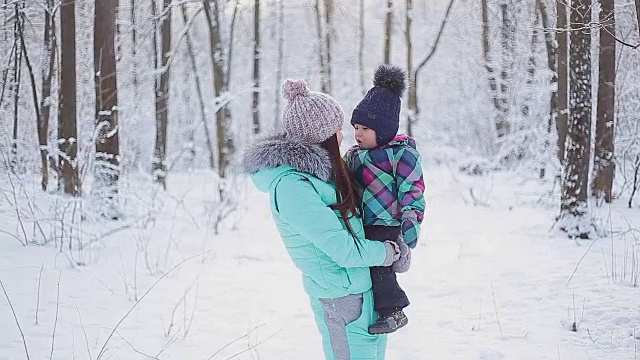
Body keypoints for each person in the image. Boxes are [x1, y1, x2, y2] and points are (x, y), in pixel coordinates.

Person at [241, 79, 401, 360]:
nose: (344, 136)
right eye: (338, 129)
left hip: (363, 290)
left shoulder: (323, 177)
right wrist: (387, 252)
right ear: (323, 136)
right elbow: (343, 249)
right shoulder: (292, 187)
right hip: (341, 297)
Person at [345, 64, 426, 334]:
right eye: (356, 126)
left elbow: (412, 189)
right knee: (363, 267)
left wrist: (410, 221)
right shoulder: (355, 155)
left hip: (386, 222)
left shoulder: (401, 155)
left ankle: (394, 311)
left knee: (380, 268)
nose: (358, 133)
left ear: (383, 130)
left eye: (365, 128)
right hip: (360, 220)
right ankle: (367, 310)